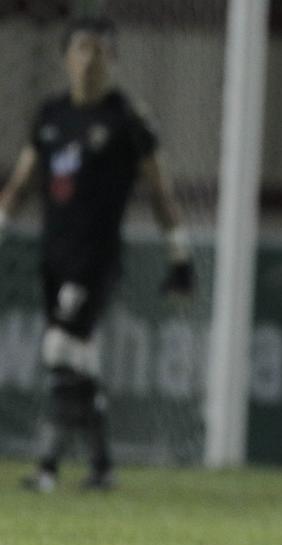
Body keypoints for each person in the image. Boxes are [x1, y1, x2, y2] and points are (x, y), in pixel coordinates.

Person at [0, 16, 193, 492]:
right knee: (79, 360)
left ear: (115, 60)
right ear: (66, 58)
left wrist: (179, 254)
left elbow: (161, 190)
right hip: (54, 257)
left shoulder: (128, 119)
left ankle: (46, 466)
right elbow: (19, 185)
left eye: (101, 51)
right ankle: (103, 467)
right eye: (83, 50)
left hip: (97, 258)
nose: (91, 60)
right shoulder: (49, 116)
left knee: (60, 347)